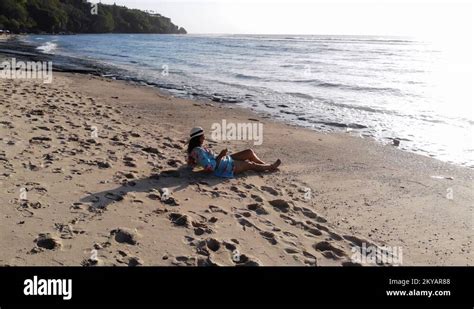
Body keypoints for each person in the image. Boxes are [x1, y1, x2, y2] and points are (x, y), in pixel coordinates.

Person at [187, 127, 281, 178]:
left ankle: (265, 165)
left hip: (224, 160)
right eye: (203, 136)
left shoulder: (196, 150)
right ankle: (270, 167)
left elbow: (193, 163)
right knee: (249, 164)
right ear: (198, 138)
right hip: (224, 167)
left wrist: (220, 156)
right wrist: (220, 155)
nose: (204, 138)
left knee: (249, 152)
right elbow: (210, 167)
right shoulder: (197, 151)